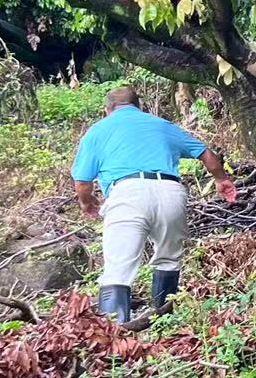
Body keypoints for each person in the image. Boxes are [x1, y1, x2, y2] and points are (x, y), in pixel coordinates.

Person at [70, 85, 237, 324]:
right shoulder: (162, 125)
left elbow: (82, 182)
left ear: (108, 109)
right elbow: (206, 154)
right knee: (169, 259)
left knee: (118, 269)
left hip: (127, 193)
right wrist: (222, 180)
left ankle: (114, 338)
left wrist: (87, 203)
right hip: (170, 193)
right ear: (139, 106)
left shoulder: (98, 131)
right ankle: (164, 321)